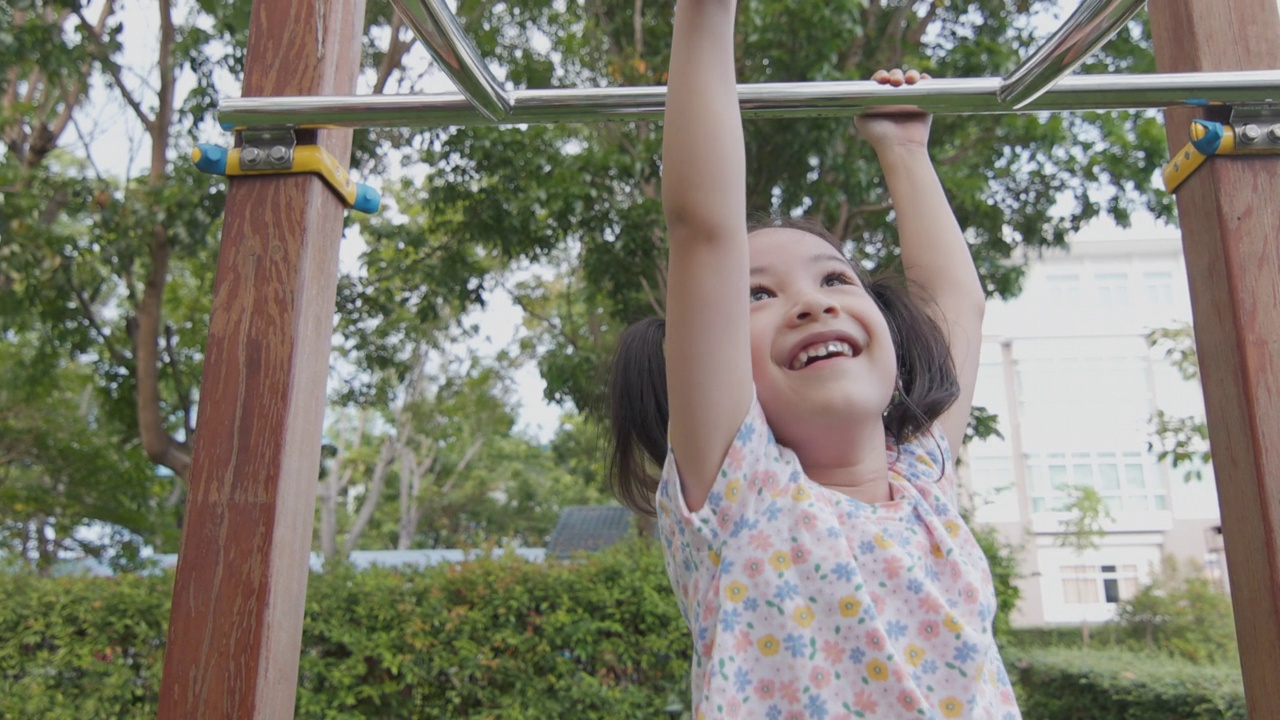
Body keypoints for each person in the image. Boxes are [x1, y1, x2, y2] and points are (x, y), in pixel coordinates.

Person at [606, 1, 1022, 718]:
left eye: (835, 279)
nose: (812, 303)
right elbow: (704, 231)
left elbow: (958, 302)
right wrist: (704, 15)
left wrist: (904, 151)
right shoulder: (740, 494)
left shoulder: (923, 484)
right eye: (757, 294)